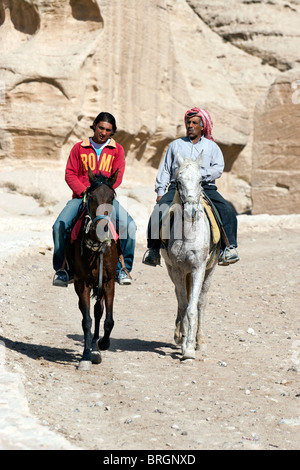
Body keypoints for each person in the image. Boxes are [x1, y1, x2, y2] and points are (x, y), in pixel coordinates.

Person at [142, 107, 239, 267]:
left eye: (194, 123)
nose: (190, 126)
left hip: (205, 187)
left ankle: (228, 248)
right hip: (177, 187)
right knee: (159, 211)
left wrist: (200, 174)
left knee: (227, 211)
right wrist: (160, 190)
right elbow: (165, 169)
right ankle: (153, 250)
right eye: (188, 122)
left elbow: (218, 168)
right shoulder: (175, 145)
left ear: (202, 126)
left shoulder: (211, 147)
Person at [52, 112, 136, 286]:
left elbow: (117, 177)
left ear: (112, 132)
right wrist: (85, 192)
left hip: (104, 199)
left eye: (108, 130)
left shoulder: (117, 150)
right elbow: (70, 174)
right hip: (81, 197)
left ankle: (123, 269)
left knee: (129, 226)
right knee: (59, 226)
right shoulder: (79, 148)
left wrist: (103, 193)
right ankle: (63, 270)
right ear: (94, 126)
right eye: (101, 128)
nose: (103, 132)